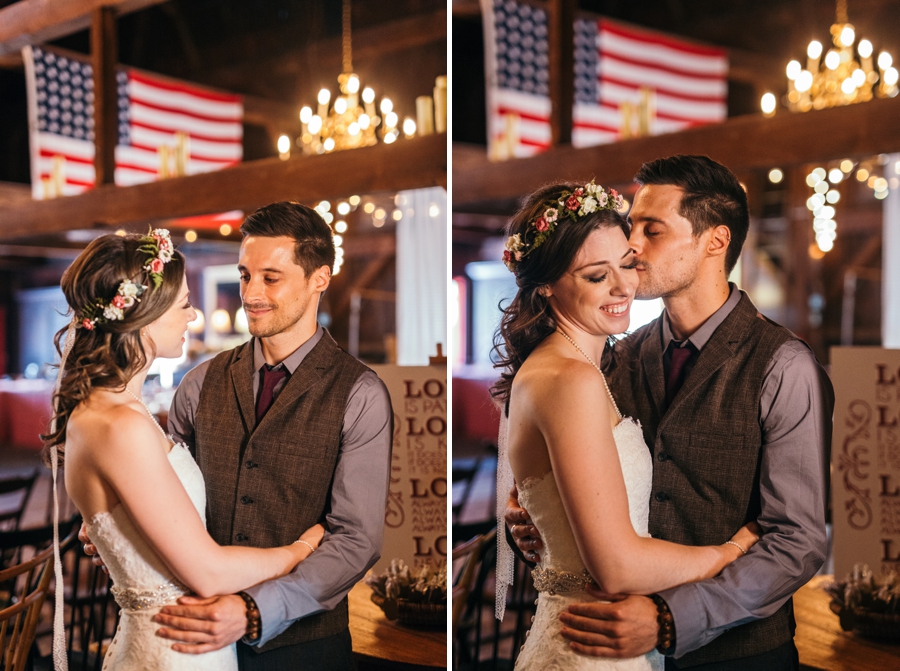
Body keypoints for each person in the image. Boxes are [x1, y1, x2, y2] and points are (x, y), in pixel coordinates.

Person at [506, 156, 833, 670]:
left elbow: (798, 540)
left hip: (738, 654)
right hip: (608, 643)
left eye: (650, 229)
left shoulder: (783, 366)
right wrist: (531, 519)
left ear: (714, 242)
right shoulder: (613, 356)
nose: (631, 245)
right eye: (631, 225)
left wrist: (671, 616)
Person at [46, 229, 326, 671]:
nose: (193, 316)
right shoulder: (120, 425)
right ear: (143, 316)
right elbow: (208, 572)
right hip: (172, 651)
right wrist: (302, 549)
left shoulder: (109, 410)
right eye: (183, 305)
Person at [147, 202, 392, 670]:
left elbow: (355, 540)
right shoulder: (198, 383)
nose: (250, 293)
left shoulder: (361, 394)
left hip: (304, 650)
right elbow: (161, 494)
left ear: (319, 278)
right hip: (192, 641)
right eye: (244, 276)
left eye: (270, 278)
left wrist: (254, 610)